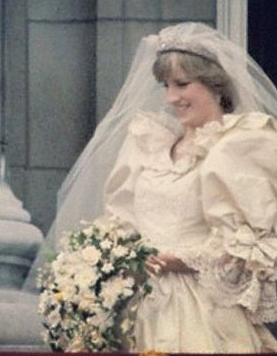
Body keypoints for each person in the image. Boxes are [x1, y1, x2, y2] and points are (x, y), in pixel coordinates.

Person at [35, 22, 277, 353]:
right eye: (165, 85)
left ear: (216, 85)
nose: (171, 97)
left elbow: (246, 249)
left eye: (182, 84)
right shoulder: (148, 144)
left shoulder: (236, 147)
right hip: (138, 306)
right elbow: (120, 223)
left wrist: (178, 259)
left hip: (199, 311)